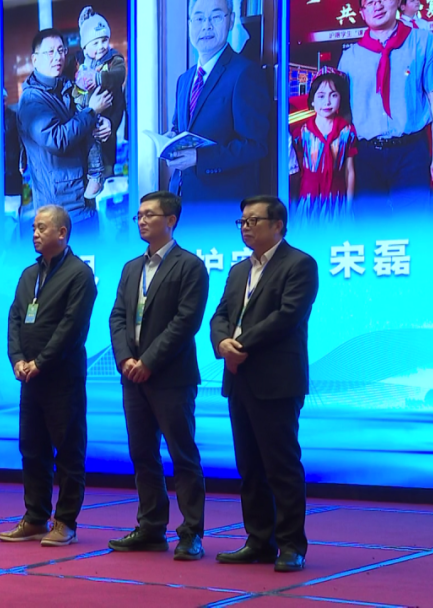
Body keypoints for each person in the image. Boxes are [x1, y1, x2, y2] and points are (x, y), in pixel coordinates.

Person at [209, 195, 319, 573]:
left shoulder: (299, 264)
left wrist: (240, 345)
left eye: (253, 221)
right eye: (242, 221)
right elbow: (221, 315)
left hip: (276, 380)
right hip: (238, 377)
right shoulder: (239, 270)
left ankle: (291, 546)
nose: (245, 227)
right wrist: (222, 344)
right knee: (250, 467)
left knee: (281, 466)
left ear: (278, 225)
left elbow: (287, 316)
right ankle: (259, 541)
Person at [107, 192, 209, 560]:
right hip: (133, 377)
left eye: (149, 215)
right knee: (142, 454)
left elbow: (185, 322)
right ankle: (151, 527)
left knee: (183, 454)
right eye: (138, 215)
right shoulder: (132, 267)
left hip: (171, 377)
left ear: (171, 220)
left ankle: (191, 532)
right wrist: (125, 359)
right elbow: (118, 316)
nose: (141, 221)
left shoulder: (190, 266)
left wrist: (148, 361)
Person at [0, 205, 97, 547]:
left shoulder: (79, 274)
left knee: (68, 451)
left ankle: (66, 522)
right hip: (30, 379)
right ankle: (35, 517)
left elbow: (72, 328)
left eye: (42, 228)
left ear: (62, 233)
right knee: (32, 449)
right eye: (33, 228)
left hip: (62, 378)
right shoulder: (30, 273)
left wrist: (41, 362)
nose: (35, 234)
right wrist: (17, 359)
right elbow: (15, 318)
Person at [166, 0, 269, 206]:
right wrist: (170, 140)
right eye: (199, 19)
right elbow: (179, 128)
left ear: (231, 20)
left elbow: (255, 145)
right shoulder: (184, 79)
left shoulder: (245, 73)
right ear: (189, 25)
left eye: (215, 17)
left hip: (222, 205)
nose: (206, 26)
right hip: (182, 200)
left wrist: (200, 158)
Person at [338, 0, 433, 217]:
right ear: (362, 13)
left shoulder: (423, 42)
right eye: (369, 2)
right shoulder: (350, 58)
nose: (377, 6)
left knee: (414, 225)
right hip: (365, 156)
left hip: (411, 152)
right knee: (370, 227)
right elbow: (344, 116)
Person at [18, 29, 112, 225]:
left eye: (61, 50)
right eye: (50, 52)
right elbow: (57, 139)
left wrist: (102, 123)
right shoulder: (32, 100)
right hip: (59, 208)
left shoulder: (67, 86)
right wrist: (91, 112)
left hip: (83, 197)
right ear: (35, 60)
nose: (57, 57)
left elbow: (82, 122)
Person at [291, 69, 358, 223]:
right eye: (321, 96)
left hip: (337, 198)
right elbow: (296, 170)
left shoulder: (347, 132)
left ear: (341, 98)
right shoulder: (301, 133)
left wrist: (348, 206)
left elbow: (349, 170)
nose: (327, 102)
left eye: (333, 95)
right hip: (309, 198)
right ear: (312, 100)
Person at [74, 7, 127, 198]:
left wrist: (98, 79)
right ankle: (94, 180)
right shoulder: (82, 67)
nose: (101, 46)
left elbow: (118, 75)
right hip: (89, 124)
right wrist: (81, 99)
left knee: (107, 167)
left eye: (104, 40)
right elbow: (76, 93)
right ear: (85, 47)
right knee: (90, 154)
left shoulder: (114, 59)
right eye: (95, 43)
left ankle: (104, 183)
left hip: (109, 123)